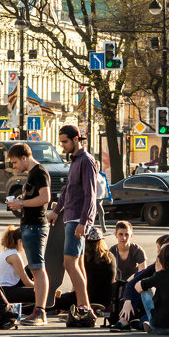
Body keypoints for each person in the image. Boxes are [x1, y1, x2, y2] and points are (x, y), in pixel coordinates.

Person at [48, 125, 100, 325]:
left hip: (77, 219)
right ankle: (83, 306)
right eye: (61, 142)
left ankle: (85, 308)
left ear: (76, 139)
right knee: (77, 264)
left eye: (65, 142)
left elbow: (91, 195)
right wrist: (56, 211)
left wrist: (84, 222)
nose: (62, 146)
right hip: (70, 217)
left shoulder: (86, 161)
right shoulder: (75, 160)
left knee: (69, 263)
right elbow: (68, 190)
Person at [6, 142, 51, 325]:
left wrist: (21, 204)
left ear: (25, 157)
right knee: (35, 268)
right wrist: (20, 200)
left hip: (35, 226)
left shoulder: (39, 172)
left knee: (38, 269)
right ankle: (37, 310)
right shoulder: (33, 174)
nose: (14, 166)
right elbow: (35, 197)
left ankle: (40, 311)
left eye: (15, 162)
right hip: (30, 225)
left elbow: (45, 198)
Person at [55, 226, 118, 316]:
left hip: (86, 297)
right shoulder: (110, 257)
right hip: (106, 299)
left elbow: (78, 283)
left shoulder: (85, 258)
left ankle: (36, 306)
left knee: (56, 301)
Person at [0, 225, 37, 304]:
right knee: (41, 294)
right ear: (20, 241)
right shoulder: (14, 256)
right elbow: (27, 282)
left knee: (33, 266)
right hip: (6, 291)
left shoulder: (8, 251)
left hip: (6, 287)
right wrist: (42, 288)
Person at [111, 220, 147, 285]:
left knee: (146, 293)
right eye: (120, 234)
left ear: (131, 235)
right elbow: (108, 274)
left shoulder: (138, 250)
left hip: (134, 283)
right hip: (116, 284)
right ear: (116, 234)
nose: (124, 238)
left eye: (126, 234)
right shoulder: (112, 251)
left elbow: (142, 274)